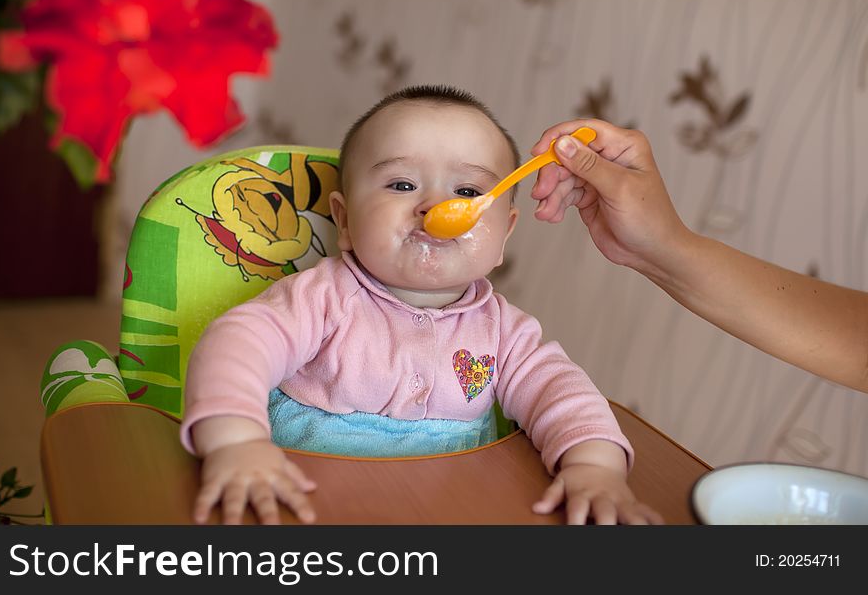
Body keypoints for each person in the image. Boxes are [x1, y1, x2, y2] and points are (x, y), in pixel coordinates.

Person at [180, 86, 663, 526]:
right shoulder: (320, 299)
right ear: (344, 221)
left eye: (469, 191)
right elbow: (238, 344)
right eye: (402, 185)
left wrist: (593, 468)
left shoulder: (504, 332)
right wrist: (237, 442)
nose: (433, 207)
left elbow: (562, 394)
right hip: (300, 501)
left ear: (503, 237)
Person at [530, 118, 868, 393]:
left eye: (475, 192)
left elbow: (567, 406)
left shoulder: (515, 338)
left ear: (510, 226)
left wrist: (592, 461)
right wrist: (665, 246)